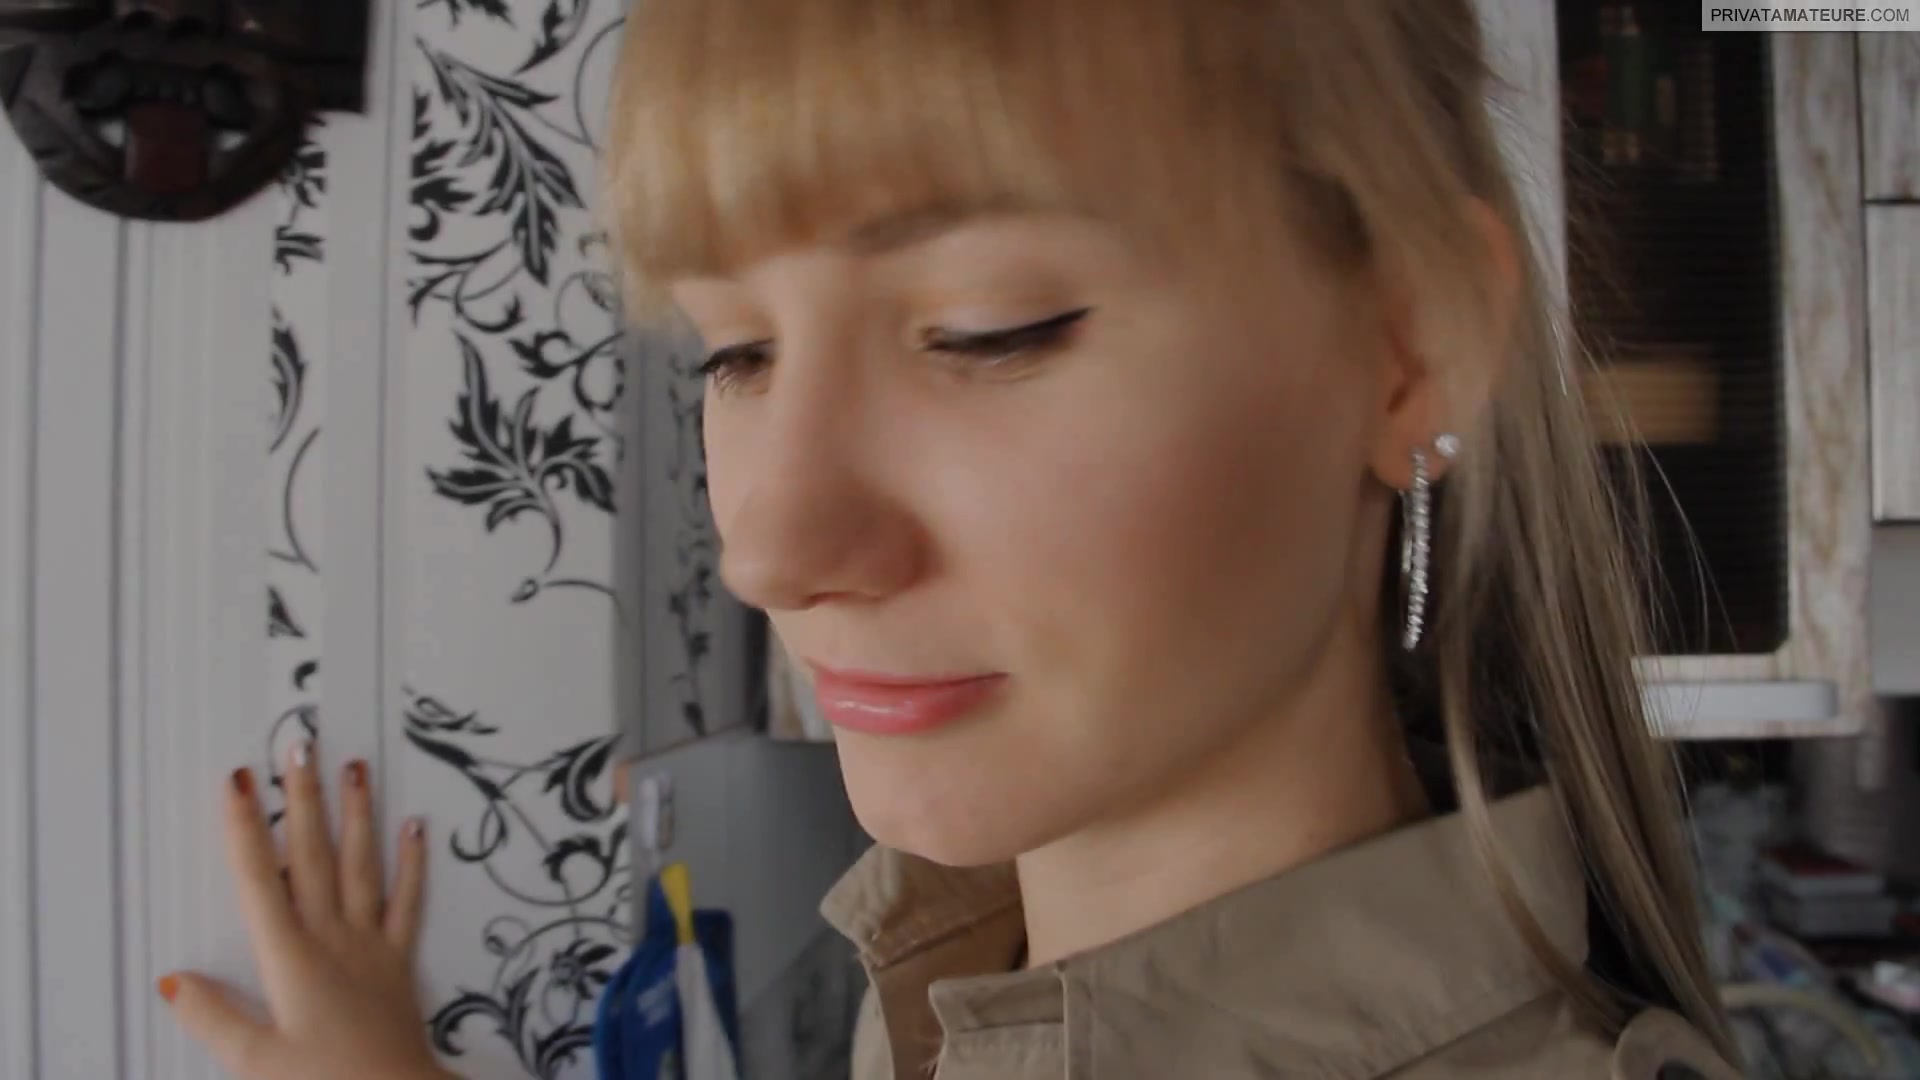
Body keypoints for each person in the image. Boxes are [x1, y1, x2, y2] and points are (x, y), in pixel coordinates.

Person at [159, 1, 1748, 1077]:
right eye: (734, 352)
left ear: (1408, 344)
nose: (773, 550)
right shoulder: (958, 968)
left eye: (991, 329)